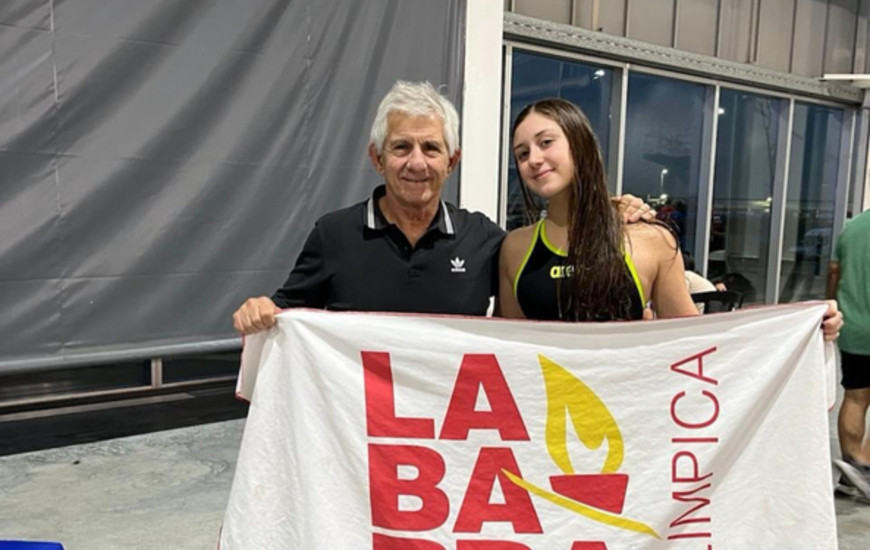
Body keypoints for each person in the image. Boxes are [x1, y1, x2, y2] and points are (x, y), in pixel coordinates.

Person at [232, 81, 654, 334]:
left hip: (450, 449)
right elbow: (284, 311)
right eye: (401, 147)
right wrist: (261, 309)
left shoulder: (487, 241)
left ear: (452, 161)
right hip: (359, 444)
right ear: (377, 158)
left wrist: (611, 208)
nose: (417, 162)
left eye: (431, 148)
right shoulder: (333, 234)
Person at [499, 98, 699, 321]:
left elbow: (688, 342)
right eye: (522, 154)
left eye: (546, 142)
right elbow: (510, 348)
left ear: (579, 143)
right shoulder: (515, 249)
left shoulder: (651, 240)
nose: (534, 159)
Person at [828, 209, 870, 501]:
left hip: (854, 326)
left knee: (855, 395)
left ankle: (850, 471)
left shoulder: (852, 228)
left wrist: (831, 303)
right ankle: (864, 467)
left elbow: (834, 271)